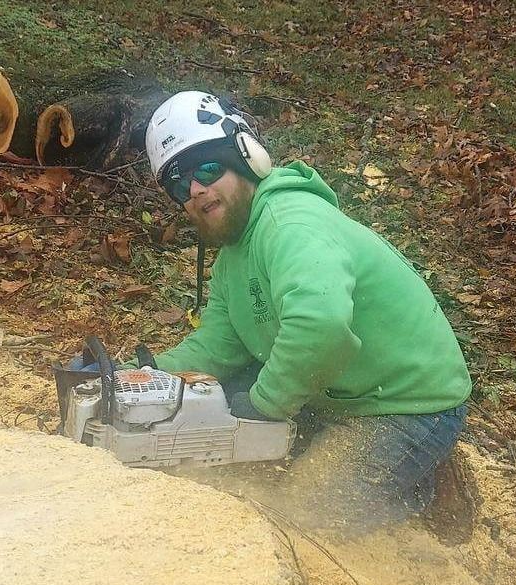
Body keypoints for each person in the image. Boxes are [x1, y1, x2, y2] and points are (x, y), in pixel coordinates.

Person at [143, 90, 472, 532]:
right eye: (180, 183)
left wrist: (264, 406)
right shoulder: (234, 255)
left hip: (405, 405)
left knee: (306, 518)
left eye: (207, 167)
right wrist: (142, 375)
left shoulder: (290, 223)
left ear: (246, 159)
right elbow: (220, 345)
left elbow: (322, 325)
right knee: (209, 404)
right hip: (339, 391)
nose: (197, 188)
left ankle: (418, 502)